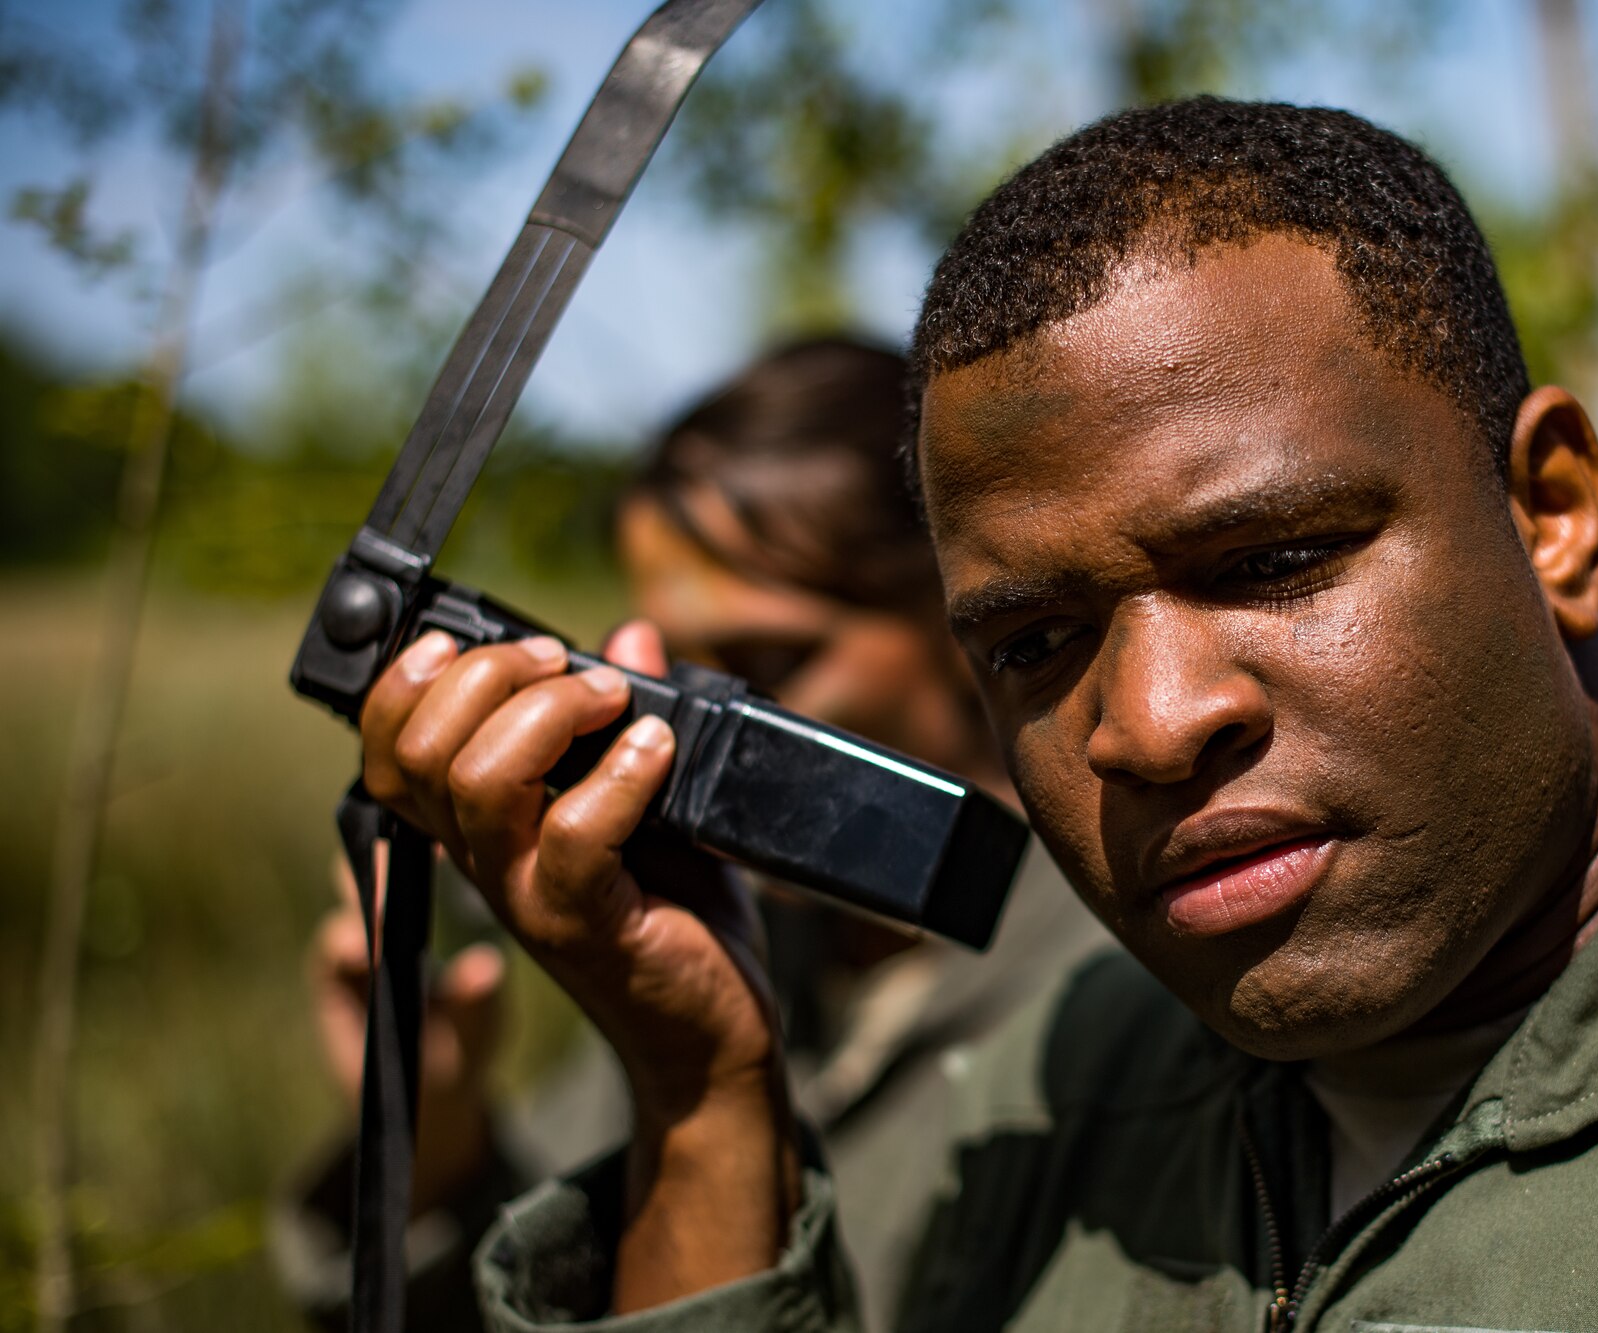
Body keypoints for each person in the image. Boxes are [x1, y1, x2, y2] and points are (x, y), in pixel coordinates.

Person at [352, 98, 1598, 1331]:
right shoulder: (1072, 1081)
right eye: (1037, 639)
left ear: (1553, 512)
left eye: (1275, 558)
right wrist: (702, 1089)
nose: (1145, 722)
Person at [267, 337, 1108, 1332]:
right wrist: (434, 1138)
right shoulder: (720, 941)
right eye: (665, 673)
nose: (675, 738)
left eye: (765, 661)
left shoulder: (1130, 987)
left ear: (965, 616)